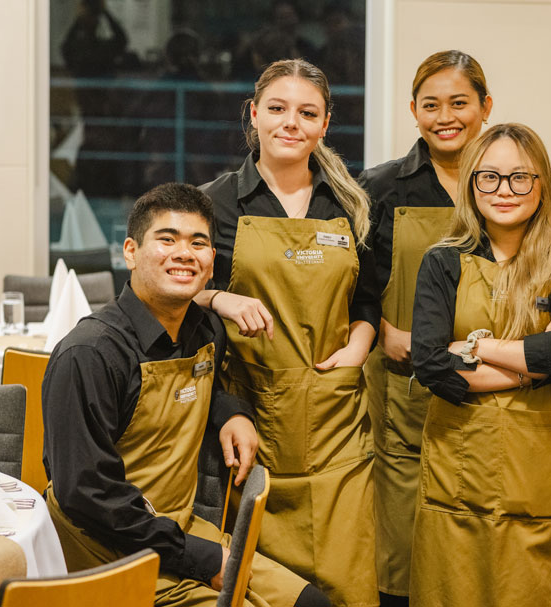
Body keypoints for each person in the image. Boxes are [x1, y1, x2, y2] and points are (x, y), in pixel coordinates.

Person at [43, 183, 325, 606]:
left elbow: (194, 390)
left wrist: (232, 412)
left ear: (212, 262)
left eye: (199, 242)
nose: (184, 252)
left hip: (180, 526)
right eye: (167, 239)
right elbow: (86, 494)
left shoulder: (204, 331)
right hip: (109, 548)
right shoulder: (91, 354)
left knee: (310, 602)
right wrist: (198, 557)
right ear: (130, 252)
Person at [196, 59, 379, 607]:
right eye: (276, 109)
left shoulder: (351, 203)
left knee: (346, 574)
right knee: (262, 581)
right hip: (250, 416)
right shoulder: (215, 203)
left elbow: (368, 298)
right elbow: (177, 292)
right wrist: (219, 296)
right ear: (254, 115)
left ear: (325, 124)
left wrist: (357, 349)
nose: (290, 123)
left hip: (336, 419)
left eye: (307, 113)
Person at [410, 123, 551, 607]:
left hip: (538, 472)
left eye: (520, 177)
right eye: (489, 178)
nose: (504, 191)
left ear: (542, 186)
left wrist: (474, 345)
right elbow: (431, 365)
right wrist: (529, 364)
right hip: (458, 467)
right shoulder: (442, 262)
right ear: (472, 185)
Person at [357, 49, 492, 607]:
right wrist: (384, 331)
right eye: (431, 105)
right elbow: (353, 284)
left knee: (474, 543)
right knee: (402, 546)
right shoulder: (381, 187)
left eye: (459, 103)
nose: (446, 117)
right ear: (413, 111)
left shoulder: (508, 183)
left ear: (486, 107)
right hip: (402, 384)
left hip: (491, 383)